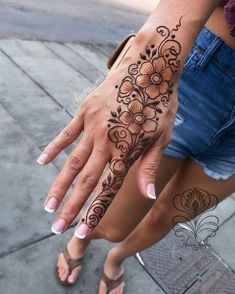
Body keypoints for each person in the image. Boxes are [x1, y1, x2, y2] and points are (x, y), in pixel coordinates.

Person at [37, 0, 235, 293]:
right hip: (207, 71)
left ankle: (115, 259)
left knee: (169, 215)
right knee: (111, 224)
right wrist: (150, 55)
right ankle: (80, 238)